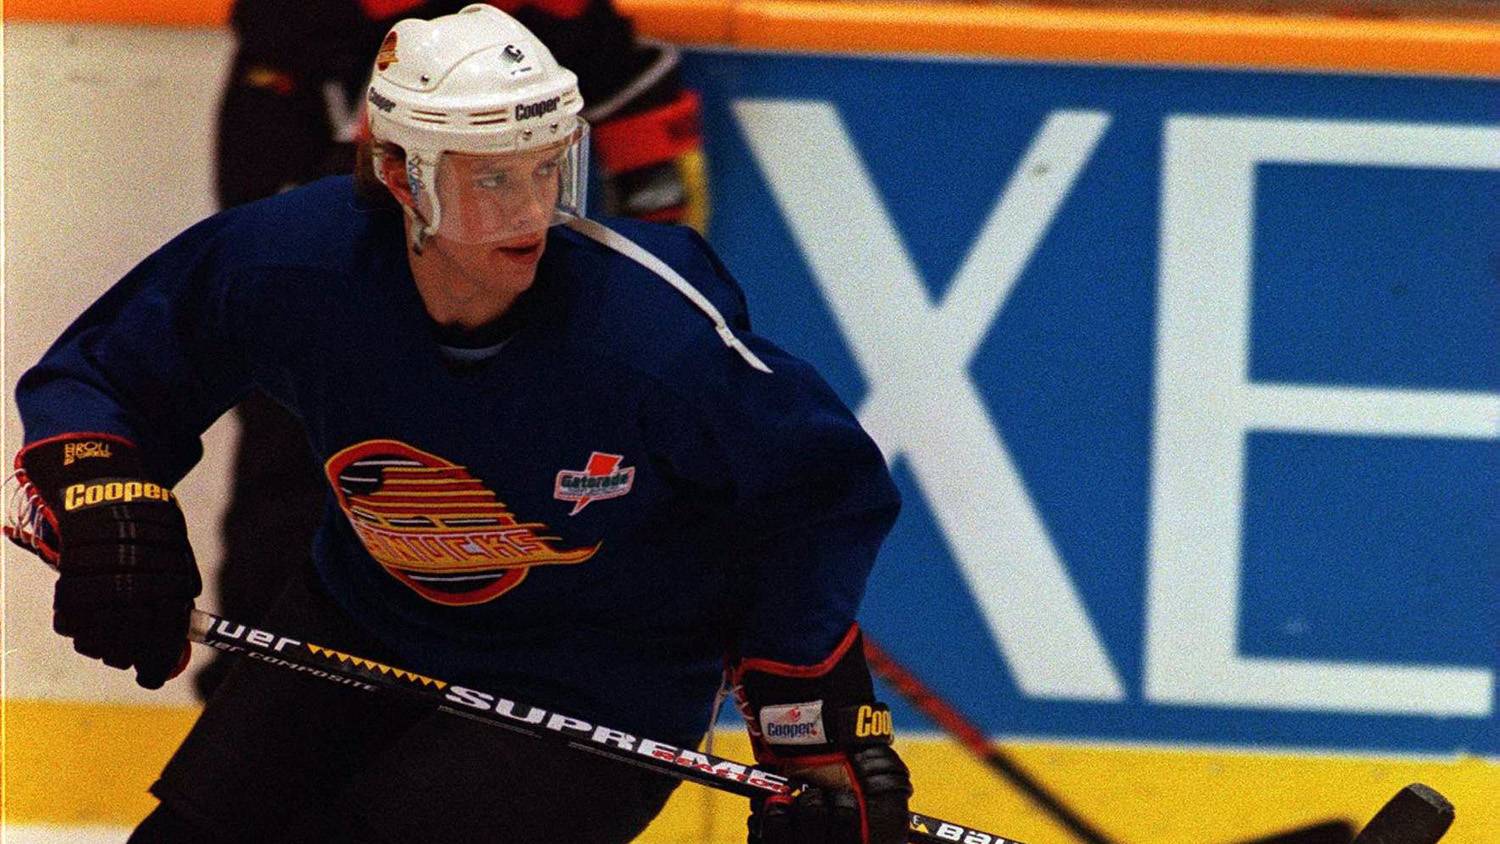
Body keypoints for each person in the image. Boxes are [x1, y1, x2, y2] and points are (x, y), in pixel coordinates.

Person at [6, 6, 910, 842]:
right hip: (361, 623)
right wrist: (107, 504)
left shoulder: (649, 328)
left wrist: (808, 721)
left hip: (594, 680)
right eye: (492, 179)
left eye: (547, 168)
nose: (531, 213)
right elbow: (103, 378)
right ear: (400, 174)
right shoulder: (294, 263)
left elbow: (820, 491)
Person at [200, 0, 709, 700]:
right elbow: (265, 240)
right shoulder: (306, 34)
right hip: (349, 328)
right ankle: (256, 691)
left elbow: (660, 191)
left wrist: (610, 315)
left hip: (514, 334)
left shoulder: (570, 29)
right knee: (292, 457)